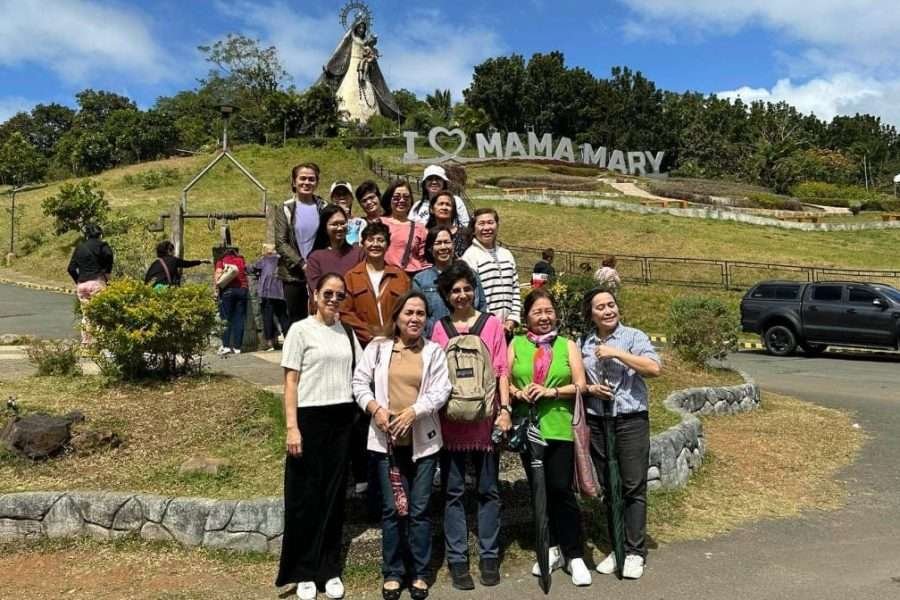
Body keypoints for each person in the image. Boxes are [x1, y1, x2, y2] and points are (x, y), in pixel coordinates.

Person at [351, 291, 452, 600]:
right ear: (396, 316)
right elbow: (359, 383)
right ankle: (393, 572)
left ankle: (420, 572)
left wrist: (414, 412)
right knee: (393, 509)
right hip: (387, 446)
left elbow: (441, 390)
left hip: (423, 445)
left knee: (419, 510)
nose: (414, 318)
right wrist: (375, 409)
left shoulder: (433, 351)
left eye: (420, 313)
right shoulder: (378, 348)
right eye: (409, 312)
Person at [276, 273, 363, 600]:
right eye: (328, 293)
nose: (333, 300)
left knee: (333, 497)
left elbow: (362, 373)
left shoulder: (347, 332)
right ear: (314, 295)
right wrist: (292, 427)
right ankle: (304, 571)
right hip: (308, 420)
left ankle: (329, 569)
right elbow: (291, 383)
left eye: (340, 295)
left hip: (341, 420)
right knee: (305, 498)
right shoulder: (300, 330)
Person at [430, 261, 511, 590]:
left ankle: (489, 555)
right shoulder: (439, 328)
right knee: (453, 493)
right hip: (451, 423)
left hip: (486, 421)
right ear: (446, 295)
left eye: (466, 288)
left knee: (488, 490)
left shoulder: (491, 324)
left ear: (475, 290)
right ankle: (458, 560)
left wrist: (505, 409)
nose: (462, 295)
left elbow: (502, 369)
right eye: (455, 290)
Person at [508, 288, 592, 587]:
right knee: (538, 491)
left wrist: (551, 391)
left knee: (560, 489)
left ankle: (575, 553)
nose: (544, 317)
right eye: (537, 312)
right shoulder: (516, 344)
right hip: (528, 427)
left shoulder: (567, 345)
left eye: (548, 311)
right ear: (526, 317)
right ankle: (551, 546)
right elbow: (505, 379)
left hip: (559, 426)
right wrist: (518, 393)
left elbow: (581, 385)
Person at [580, 288, 661, 580]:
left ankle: (634, 550)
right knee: (609, 485)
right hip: (598, 420)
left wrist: (616, 353)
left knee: (632, 485)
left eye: (611, 305)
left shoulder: (634, 336)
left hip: (630, 419)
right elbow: (579, 377)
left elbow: (653, 368)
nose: (608, 311)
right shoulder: (583, 342)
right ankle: (618, 546)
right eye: (600, 307)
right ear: (591, 314)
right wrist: (591, 389)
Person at [340, 222, 411, 347]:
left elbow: (409, 309)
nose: (375, 244)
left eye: (380, 240)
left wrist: (397, 334)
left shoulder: (400, 277)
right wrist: (369, 336)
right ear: (363, 244)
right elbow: (345, 312)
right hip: (364, 345)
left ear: (387, 245)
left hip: (396, 343)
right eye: (370, 240)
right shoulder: (351, 277)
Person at [274, 162, 326, 324]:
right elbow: (281, 242)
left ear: (317, 182)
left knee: (321, 318)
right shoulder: (285, 209)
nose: (307, 182)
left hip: (319, 272)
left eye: (311, 179)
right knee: (297, 321)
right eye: (302, 178)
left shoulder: (323, 207)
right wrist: (302, 264)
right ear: (294, 181)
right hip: (293, 275)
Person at [412, 226, 486, 337]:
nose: (443, 247)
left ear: (453, 245)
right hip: (436, 340)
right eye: (438, 243)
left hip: (470, 339)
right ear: (430, 249)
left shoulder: (470, 274)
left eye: (447, 242)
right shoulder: (420, 280)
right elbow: (417, 315)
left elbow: (481, 306)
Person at [462, 208, 521, 338]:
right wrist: (491, 322)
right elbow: (471, 296)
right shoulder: (470, 257)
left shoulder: (507, 254)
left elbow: (515, 289)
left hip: (507, 329)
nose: (487, 228)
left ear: (497, 226)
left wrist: (512, 319)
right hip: (482, 329)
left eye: (490, 222)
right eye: (481, 223)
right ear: (474, 229)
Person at [67, 223, 114, 345]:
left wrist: (78, 280)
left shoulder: (80, 247)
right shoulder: (102, 245)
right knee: (101, 314)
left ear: (86, 235)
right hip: (97, 283)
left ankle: (86, 343)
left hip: (82, 285)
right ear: (100, 235)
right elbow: (109, 255)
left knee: (87, 315)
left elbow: (71, 268)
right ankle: (100, 343)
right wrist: (107, 270)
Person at [306, 205, 366, 298]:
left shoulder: (359, 253)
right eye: (334, 224)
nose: (340, 228)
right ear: (325, 228)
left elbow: (364, 284)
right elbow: (317, 290)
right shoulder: (315, 258)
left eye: (343, 223)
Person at [381, 180, 430, 276]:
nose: (402, 200)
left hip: (411, 276)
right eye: (396, 197)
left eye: (406, 197)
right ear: (389, 199)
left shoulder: (419, 228)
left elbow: (424, 260)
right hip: (384, 276)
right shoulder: (379, 223)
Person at [248, 243, 290, 351]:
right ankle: (288, 339)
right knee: (283, 317)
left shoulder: (264, 260)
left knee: (268, 317)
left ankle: (269, 342)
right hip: (280, 292)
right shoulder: (281, 260)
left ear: (266, 251)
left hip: (267, 292)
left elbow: (251, 268)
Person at [410, 165, 470, 229]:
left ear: (444, 182)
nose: (434, 182)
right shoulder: (417, 206)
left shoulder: (456, 201)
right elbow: (410, 227)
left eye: (438, 178)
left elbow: (465, 224)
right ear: (424, 183)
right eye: (430, 179)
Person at [214, 247, 249, 355]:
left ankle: (226, 346)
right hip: (242, 290)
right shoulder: (241, 260)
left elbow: (218, 276)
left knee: (226, 318)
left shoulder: (221, 261)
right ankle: (237, 348)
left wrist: (216, 291)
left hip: (227, 291)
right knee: (239, 319)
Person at [425, 190, 473, 257]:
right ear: (431, 209)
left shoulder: (465, 234)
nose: (444, 208)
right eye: (441, 204)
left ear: (453, 210)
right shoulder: (424, 233)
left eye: (448, 204)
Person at [144, 240, 209, 288]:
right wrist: (201, 261)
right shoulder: (173, 260)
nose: (174, 252)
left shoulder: (155, 263)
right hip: (163, 289)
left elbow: (147, 279)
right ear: (169, 251)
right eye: (173, 250)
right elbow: (187, 264)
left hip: (150, 290)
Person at [330, 181, 366, 246]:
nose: (341, 197)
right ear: (332, 199)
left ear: (351, 198)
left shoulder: (361, 223)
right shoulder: (326, 223)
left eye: (345, 193)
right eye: (337, 194)